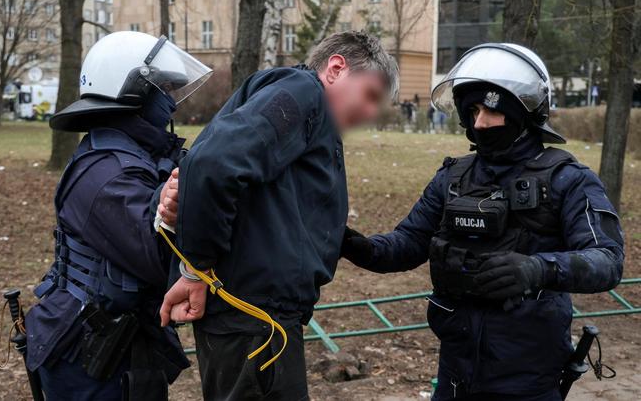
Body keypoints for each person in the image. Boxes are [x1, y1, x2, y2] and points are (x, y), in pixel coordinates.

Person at [341, 43, 625, 401]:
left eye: (491, 110)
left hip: (528, 377)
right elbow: (407, 243)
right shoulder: (453, 178)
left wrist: (537, 269)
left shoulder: (568, 179)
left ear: (522, 112)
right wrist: (357, 246)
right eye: (471, 110)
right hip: (456, 372)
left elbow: (608, 260)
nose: (479, 123)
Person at [157, 31, 399, 400]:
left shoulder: (307, 115)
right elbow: (212, 165)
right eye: (370, 96)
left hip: (261, 322)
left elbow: (258, 195)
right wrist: (195, 270)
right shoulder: (303, 93)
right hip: (254, 323)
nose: (369, 113)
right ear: (336, 68)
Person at [24, 31, 212, 401]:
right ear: (132, 92)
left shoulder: (136, 154)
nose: (170, 101)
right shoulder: (108, 174)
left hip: (122, 344)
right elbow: (163, 259)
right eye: (162, 88)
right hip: (90, 355)